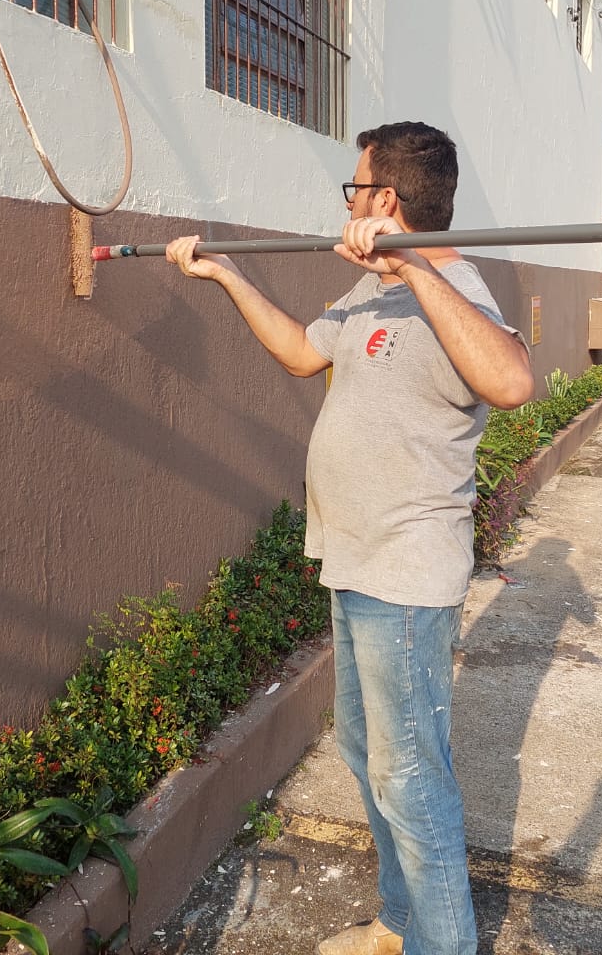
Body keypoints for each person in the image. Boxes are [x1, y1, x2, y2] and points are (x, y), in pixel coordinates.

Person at [165, 121, 533, 955]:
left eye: (355, 186)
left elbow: (510, 380)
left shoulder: (455, 283)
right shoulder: (369, 289)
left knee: (412, 783)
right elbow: (302, 352)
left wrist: (409, 264)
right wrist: (226, 275)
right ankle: (400, 924)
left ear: (387, 200)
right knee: (374, 762)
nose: (349, 200)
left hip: (406, 576)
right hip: (355, 562)